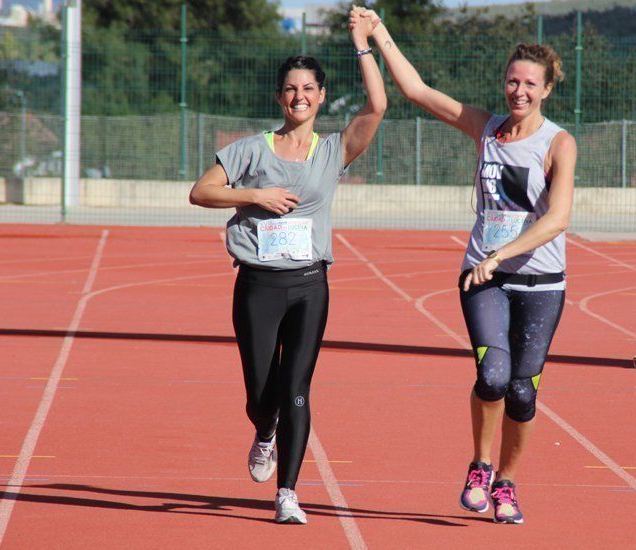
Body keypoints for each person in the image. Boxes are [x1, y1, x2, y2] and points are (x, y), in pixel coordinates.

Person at [350, 7, 576, 524]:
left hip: (541, 283)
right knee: (493, 375)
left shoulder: (559, 144)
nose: (518, 91)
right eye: (512, 81)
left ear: (546, 90)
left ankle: (508, 482)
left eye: (529, 84)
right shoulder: (486, 128)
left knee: (522, 391)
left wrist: (504, 252)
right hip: (484, 276)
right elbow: (416, 90)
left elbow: (558, 218)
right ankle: (480, 463)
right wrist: (377, 30)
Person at [189, 17, 386, 524]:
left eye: (308, 89)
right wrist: (255, 194)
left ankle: (288, 493)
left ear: (321, 96)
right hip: (257, 286)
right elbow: (201, 191)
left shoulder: (334, 150)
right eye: (291, 89)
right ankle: (264, 431)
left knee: (297, 386)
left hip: (308, 287)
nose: (299, 96)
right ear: (280, 97)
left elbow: (378, 106)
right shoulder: (251, 150)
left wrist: (362, 44)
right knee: (261, 395)